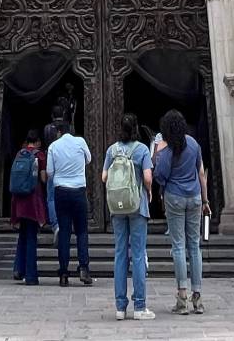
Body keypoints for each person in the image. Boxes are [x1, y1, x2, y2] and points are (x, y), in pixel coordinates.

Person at [152, 109, 209, 315]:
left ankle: (182, 295)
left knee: (178, 246)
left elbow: (160, 175)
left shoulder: (166, 152)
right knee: (195, 245)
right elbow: (200, 172)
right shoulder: (193, 144)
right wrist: (205, 200)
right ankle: (198, 296)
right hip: (194, 197)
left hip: (174, 198)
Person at [103, 112, 155, 320]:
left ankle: (120, 307)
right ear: (135, 129)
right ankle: (140, 306)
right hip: (137, 205)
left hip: (117, 207)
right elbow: (148, 177)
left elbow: (104, 176)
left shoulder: (112, 150)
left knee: (120, 254)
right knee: (139, 254)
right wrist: (148, 190)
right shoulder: (141, 149)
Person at [45, 117, 94, 287]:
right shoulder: (80, 142)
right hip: (79, 190)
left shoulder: (53, 146)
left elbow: (50, 172)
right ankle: (84, 268)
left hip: (61, 192)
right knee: (81, 231)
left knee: (64, 232)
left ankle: (64, 273)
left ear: (59, 132)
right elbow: (88, 159)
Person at [8, 130, 48, 285]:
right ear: (37, 141)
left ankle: (18, 269)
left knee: (23, 235)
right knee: (31, 236)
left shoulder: (20, 154)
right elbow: (43, 178)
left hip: (19, 199)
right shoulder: (40, 156)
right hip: (33, 199)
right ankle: (31, 275)